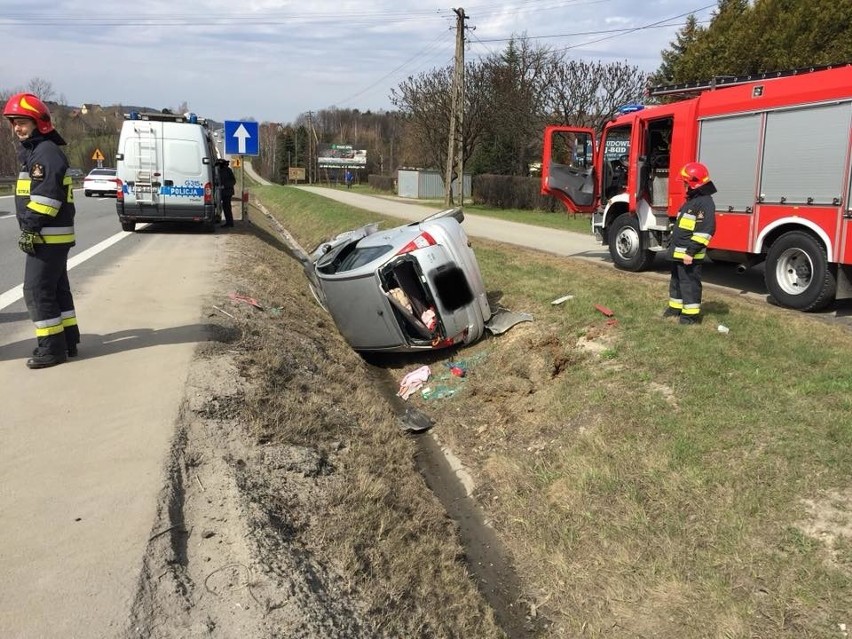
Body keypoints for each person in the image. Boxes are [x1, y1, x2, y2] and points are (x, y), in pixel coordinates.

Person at [4, 93, 80, 368]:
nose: (17, 128)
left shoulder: (44, 153)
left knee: (36, 291)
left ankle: (51, 348)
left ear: (39, 123)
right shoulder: (39, 151)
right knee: (57, 290)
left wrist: (30, 229)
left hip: (47, 235)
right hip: (52, 235)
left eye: (22, 122)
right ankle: (68, 341)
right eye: (13, 123)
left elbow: (47, 197)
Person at [663, 161, 717, 325]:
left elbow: (705, 231)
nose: (684, 184)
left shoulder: (705, 202)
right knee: (677, 282)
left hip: (688, 254)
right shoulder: (693, 200)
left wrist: (690, 252)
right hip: (679, 252)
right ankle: (675, 309)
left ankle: (690, 317)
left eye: (686, 182)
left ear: (694, 183)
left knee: (689, 285)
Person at [215, 159, 236, 227]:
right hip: (224, 192)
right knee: (225, 207)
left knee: (227, 208)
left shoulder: (227, 170)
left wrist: (224, 186)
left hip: (227, 192)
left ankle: (229, 223)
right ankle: (229, 222)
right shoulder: (221, 170)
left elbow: (233, 181)